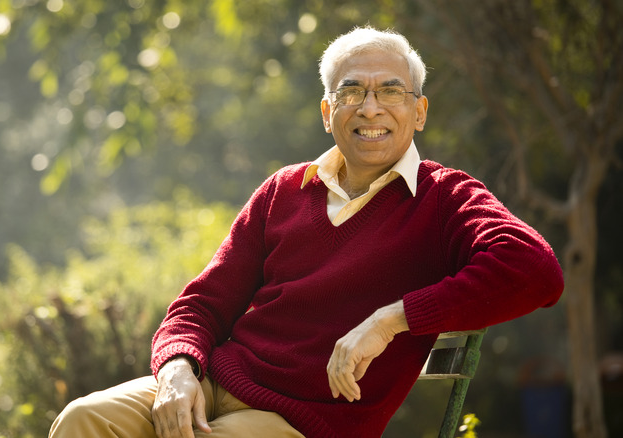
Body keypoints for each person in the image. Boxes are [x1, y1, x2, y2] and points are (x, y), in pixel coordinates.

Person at [48, 26, 564, 438]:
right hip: (215, 383)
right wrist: (179, 371)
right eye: (352, 90)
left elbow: (535, 270)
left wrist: (389, 321)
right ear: (327, 112)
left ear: (419, 111)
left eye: (390, 90)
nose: (370, 107)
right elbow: (201, 305)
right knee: (81, 421)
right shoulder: (284, 190)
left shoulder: (443, 197)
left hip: (307, 424)